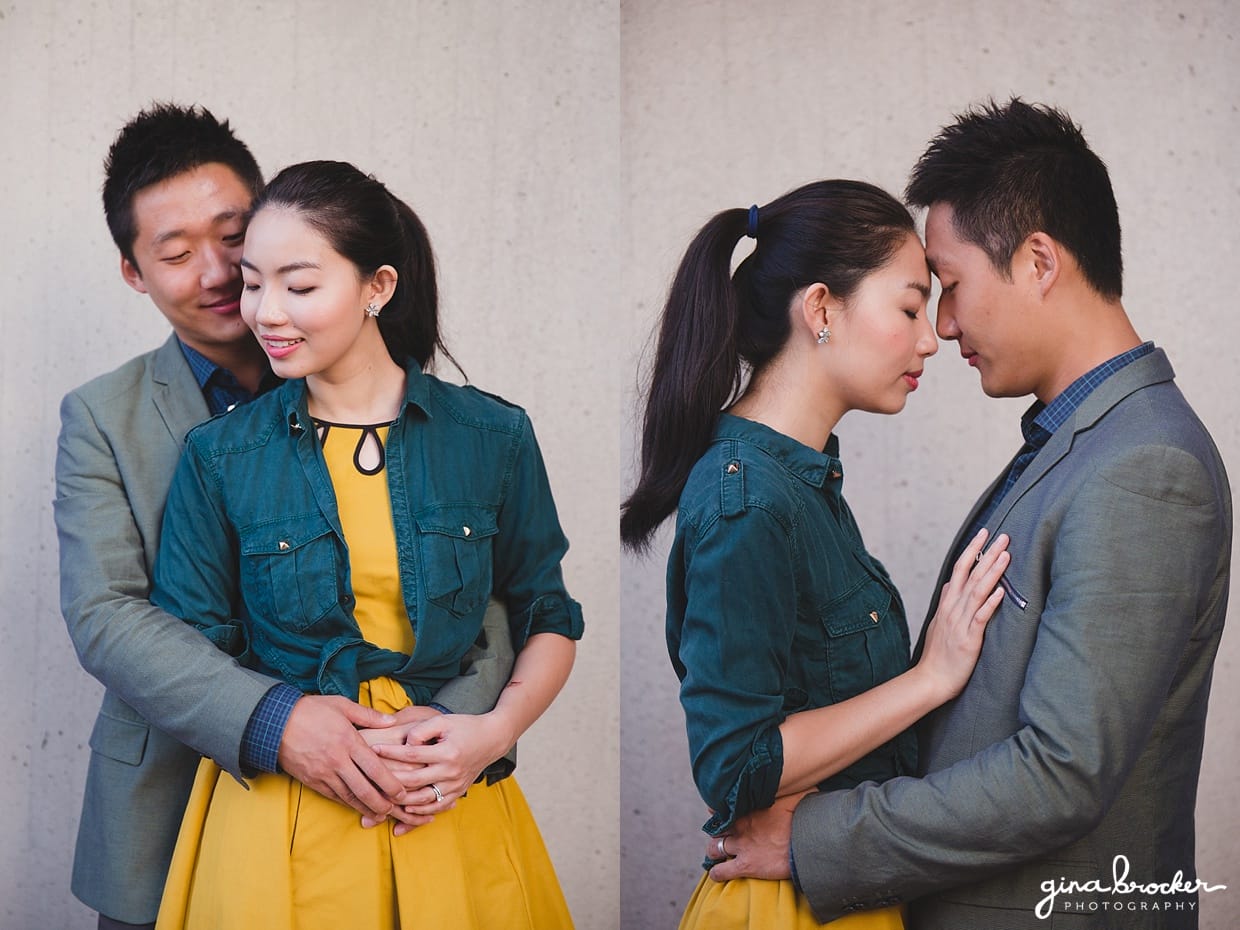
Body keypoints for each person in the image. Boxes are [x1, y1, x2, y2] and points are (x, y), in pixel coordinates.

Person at [711, 100, 1232, 930]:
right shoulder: (1077, 440)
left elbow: (1060, 773)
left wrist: (820, 837)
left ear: (1037, 261)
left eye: (949, 290)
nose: (944, 328)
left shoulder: (1145, 468)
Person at [55, 104, 513, 930]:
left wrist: (449, 726)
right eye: (174, 252)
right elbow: (104, 614)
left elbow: (488, 581)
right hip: (171, 801)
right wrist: (275, 721)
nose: (218, 272)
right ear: (134, 272)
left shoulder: (400, 394)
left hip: (403, 793)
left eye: (232, 235)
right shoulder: (101, 417)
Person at [147, 159, 583, 929]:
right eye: (253, 282)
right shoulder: (219, 455)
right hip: (278, 822)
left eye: (300, 285)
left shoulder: (492, 435)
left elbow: (546, 611)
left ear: (377, 287)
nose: (266, 312)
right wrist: (284, 729)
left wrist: (492, 733)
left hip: (451, 808)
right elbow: (189, 650)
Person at [621, 179, 1011, 929]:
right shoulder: (749, 499)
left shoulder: (799, 476)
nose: (931, 337)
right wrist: (931, 678)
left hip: (837, 887)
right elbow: (734, 768)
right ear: (822, 308)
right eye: (907, 308)